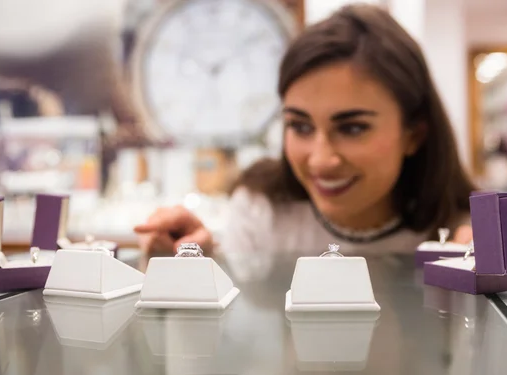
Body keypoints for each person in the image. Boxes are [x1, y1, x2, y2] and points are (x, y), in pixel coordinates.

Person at [134, 4, 475, 258]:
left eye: (353, 128)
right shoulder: (262, 211)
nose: (321, 159)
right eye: (299, 125)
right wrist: (187, 276)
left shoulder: (464, 233)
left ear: (413, 134)